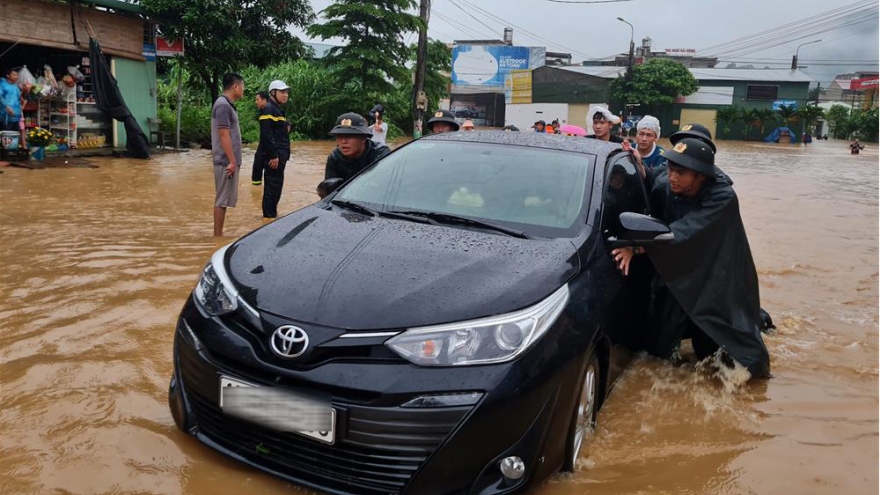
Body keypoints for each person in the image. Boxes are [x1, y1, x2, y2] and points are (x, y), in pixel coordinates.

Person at [611, 135, 771, 379]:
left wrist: (636, 248)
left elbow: (685, 231)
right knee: (661, 344)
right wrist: (640, 166)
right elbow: (657, 179)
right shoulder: (670, 181)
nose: (672, 176)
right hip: (682, 269)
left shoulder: (722, 197)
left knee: (728, 349)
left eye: (681, 172)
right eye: (671, 168)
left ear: (701, 176)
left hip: (717, 273)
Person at [318, 112, 390, 198]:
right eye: (340, 136)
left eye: (350, 136)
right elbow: (330, 192)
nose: (343, 141)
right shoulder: (334, 158)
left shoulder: (380, 155)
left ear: (363, 138)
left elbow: (384, 189)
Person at [211, 73, 244, 237]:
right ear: (235, 87)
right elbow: (223, 134)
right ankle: (217, 237)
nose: (243, 90)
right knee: (221, 199)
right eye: (242, 86)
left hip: (228, 161)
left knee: (223, 199)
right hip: (225, 161)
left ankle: (218, 234)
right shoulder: (223, 105)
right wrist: (231, 161)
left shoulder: (226, 105)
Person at [258, 80, 291, 221]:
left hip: (280, 154)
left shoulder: (277, 109)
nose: (286, 95)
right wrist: (273, 155)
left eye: (287, 92)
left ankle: (272, 215)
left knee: (276, 187)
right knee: (272, 188)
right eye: (282, 92)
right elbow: (266, 134)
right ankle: (268, 217)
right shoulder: (269, 109)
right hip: (275, 156)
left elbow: (278, 132)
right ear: (273, 93)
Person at [251, 91, 269, 186]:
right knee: (257, 167)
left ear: (264, 100)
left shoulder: (268, 112)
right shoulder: (263, 112)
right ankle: (256, 191)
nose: (256, 102)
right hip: (263, 146)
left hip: (267, 147)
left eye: (257, 99)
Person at [0, 67, 22, 132]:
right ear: (8, 75)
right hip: (5, 117)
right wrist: (7, 106)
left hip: (16, 116)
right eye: (14, 74)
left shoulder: (16, 87)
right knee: (6, 137)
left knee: (15, 137)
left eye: (17, 75)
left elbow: (18, 99)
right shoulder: (2, 85)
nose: (16, 76)